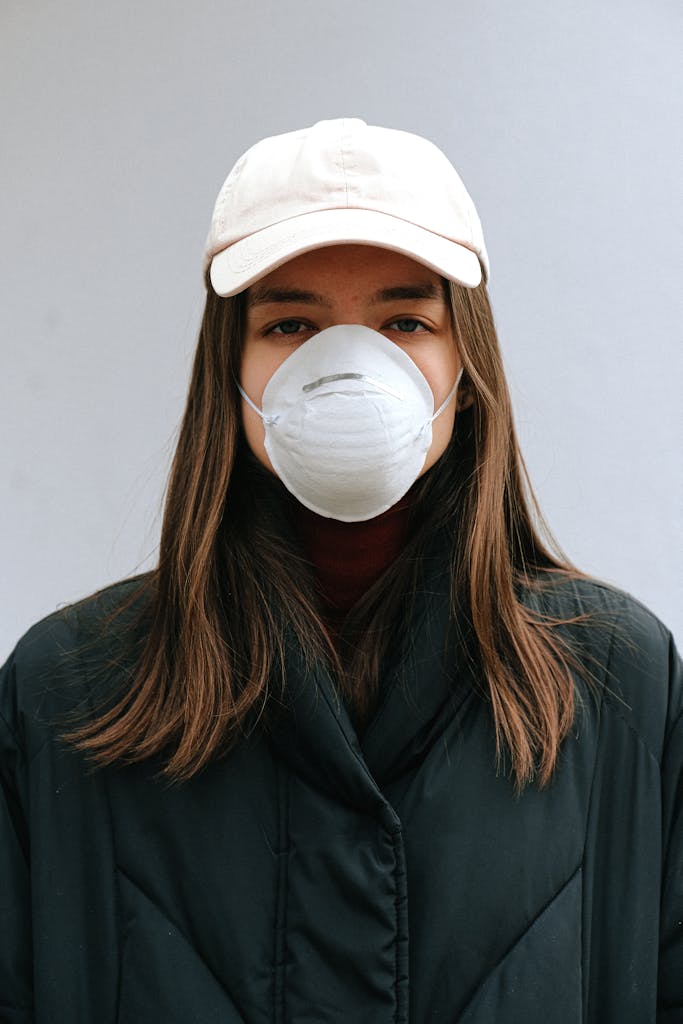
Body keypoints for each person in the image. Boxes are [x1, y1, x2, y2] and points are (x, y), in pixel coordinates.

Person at [0, 117, 680, 1023]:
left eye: (404, 320)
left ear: (464, 365)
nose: (350, 369)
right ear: (230, 371)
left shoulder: (614, 684)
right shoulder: (70, 693)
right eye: (290, 323)